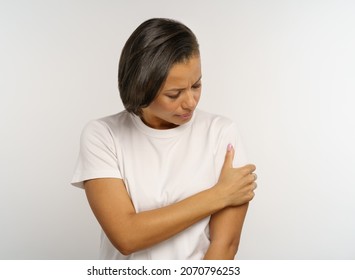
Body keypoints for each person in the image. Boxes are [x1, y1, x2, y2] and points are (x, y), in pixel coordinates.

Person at [71, 18, 257, 260]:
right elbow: (126, 237)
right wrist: (219, 195)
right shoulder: (103, 135)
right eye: (174, 94)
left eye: (196, 85)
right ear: (140, 89)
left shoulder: (221, 133)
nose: (191, 101)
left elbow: (225, 244)